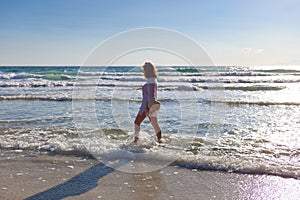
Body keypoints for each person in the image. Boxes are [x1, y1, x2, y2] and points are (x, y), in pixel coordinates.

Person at [134, 62, 162, 143]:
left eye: (144, 71)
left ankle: (135, 141)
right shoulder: (153, 79)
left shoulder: (151, 80)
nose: (143, 73)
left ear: (147, 71)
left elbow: (151, 94)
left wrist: (148, 107)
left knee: (137, 122)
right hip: (151, 105)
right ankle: (160, 141)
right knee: (155, 124)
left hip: (147, 106)